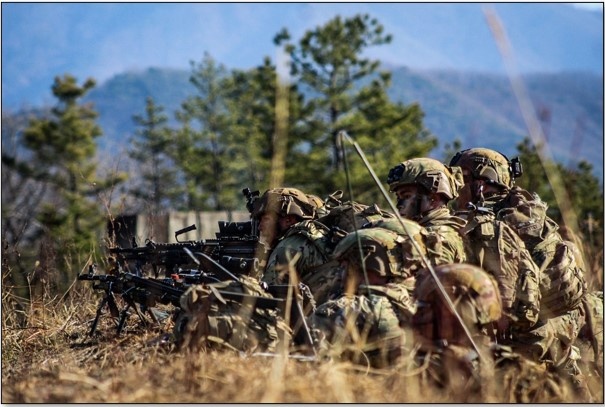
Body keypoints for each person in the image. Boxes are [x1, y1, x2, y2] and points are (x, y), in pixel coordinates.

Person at [449, 147, 591, 399]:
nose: (456, 187)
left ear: (478, 181)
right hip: (558, 330)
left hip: (517, 337)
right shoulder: (533, 216)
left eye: (461, 179)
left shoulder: (480, 222)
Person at [308, 223, 428, 367]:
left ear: (367, 267)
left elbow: (294, 353)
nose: (339, 276)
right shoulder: (423, 299)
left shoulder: (343, 310)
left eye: (344, 267)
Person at [250, 187, 336, 307]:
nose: (260, 227)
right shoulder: (318, 234)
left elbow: (267, 298)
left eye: (266, 219)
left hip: (314, 318)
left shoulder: (286, 248)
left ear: (288, 220)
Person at [386, 157, 467, 265]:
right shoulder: (422, 231)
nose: (399, 205)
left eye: (406, 196)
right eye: (398, 197)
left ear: (434, 199)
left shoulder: (438, 237)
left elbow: (435, 280)